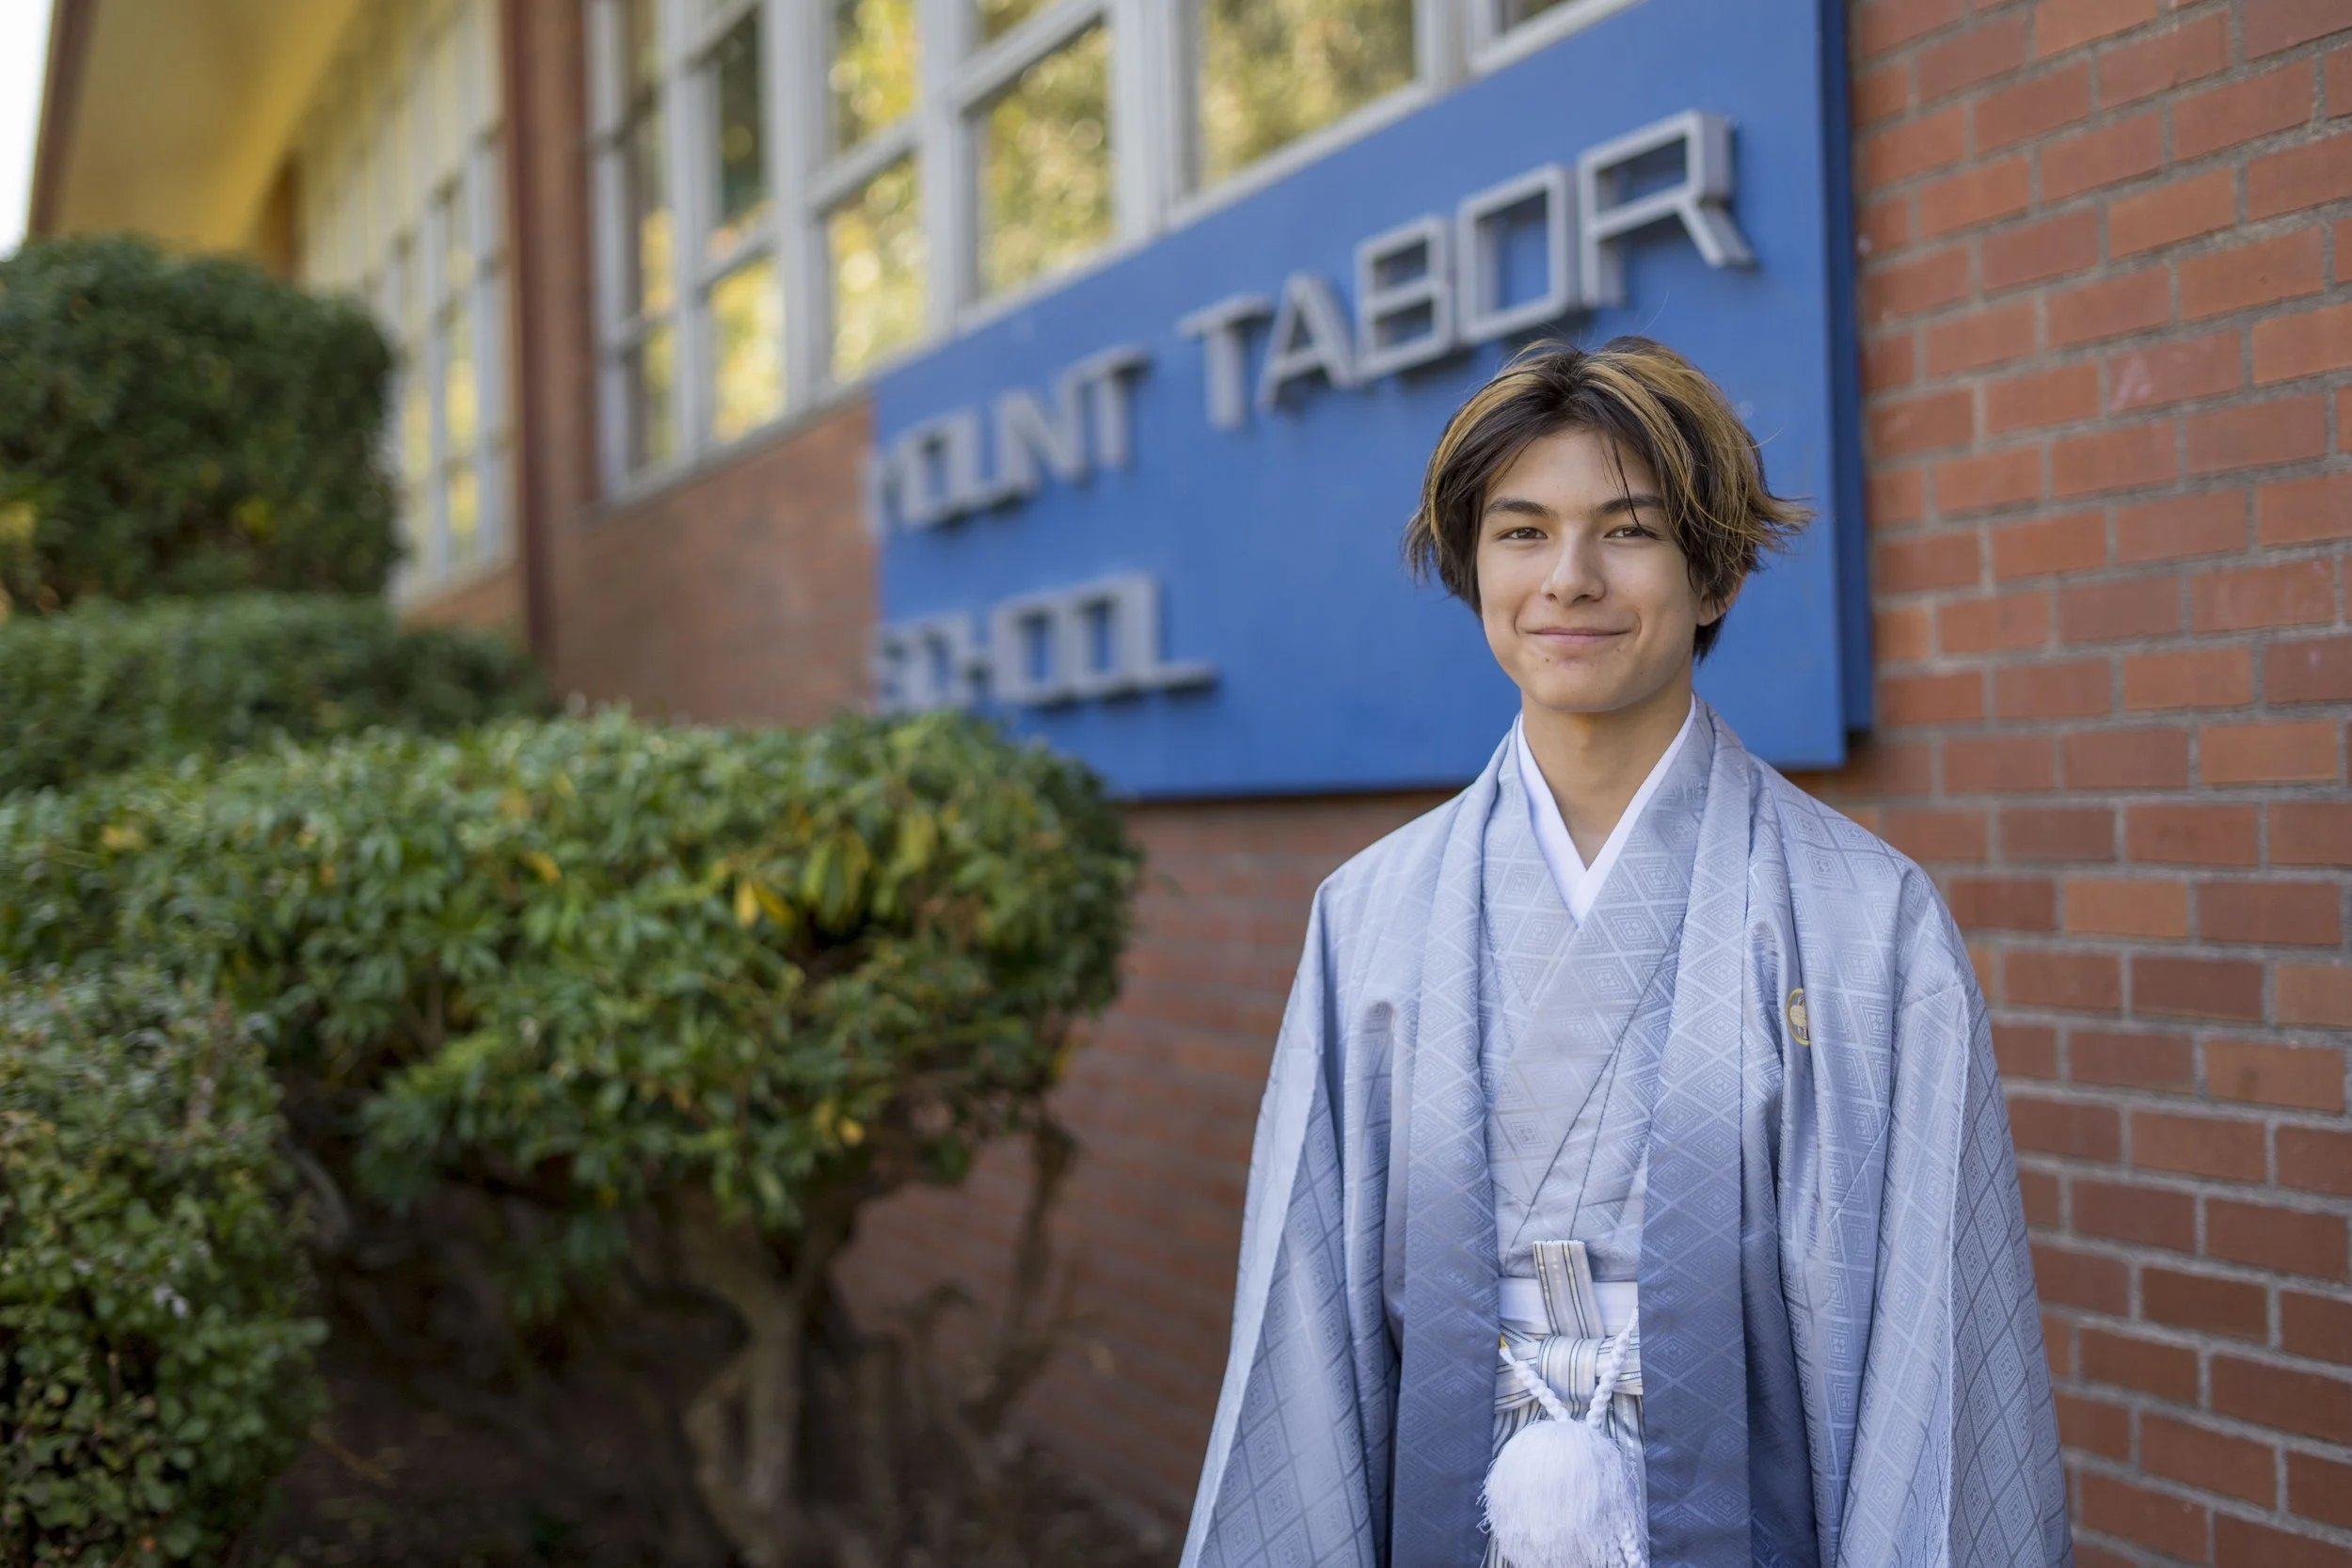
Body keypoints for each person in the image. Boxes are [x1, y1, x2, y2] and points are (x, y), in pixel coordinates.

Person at [1179, 338, 2070, 1568]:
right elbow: (1303, 1328)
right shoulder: (1367, 916)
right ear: (1473, 567)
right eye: (1523, 531)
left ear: (1713, 578)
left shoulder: (1870, 921)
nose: (1571, 578)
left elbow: (1940, 1347)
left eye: (1630, 530)